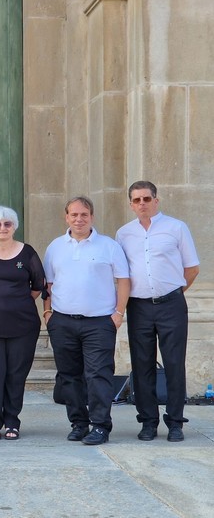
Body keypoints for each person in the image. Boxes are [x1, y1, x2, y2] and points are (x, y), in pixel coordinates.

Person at [116, 181, 199, 442]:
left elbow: (192, 268)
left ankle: (175, 422)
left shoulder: (176, 228)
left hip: (171, 304)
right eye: (137, 200)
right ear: (130, 204)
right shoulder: (123, 234)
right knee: (142, 365)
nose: (142, 203)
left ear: (156, 200)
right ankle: (148, 421)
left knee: (174, 364)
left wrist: (173, 293)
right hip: (138, 306)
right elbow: (121, 275)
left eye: (147, 198)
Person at [43, 196, 130, 445]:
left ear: (91, 216)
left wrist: (118, 313)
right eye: (74, 214)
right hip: (62, 322)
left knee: (98, 375)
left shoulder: (109, 246)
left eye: (84, 214)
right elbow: (48, 283)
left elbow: (123, 279)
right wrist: (48, 314)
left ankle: (101, 426)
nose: (79, 219)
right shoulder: (55, 247)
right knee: (70, 376)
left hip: (100, 322)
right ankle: (79, 424)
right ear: (66, 217)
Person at [0, 206, 45, 440]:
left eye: (7, 224)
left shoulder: (27, 253)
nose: (2, 228)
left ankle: (12, 420)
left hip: (23, 326)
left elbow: (38, 286)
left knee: (16, 374)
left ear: (14, 226)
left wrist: (17, 303)